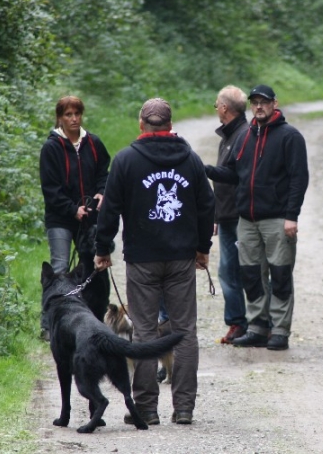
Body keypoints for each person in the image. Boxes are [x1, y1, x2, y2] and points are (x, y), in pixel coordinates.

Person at [93, 98, 215, 425]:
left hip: (142, 260)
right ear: (170, 125)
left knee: (144, 332)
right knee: (185, 331)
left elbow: (110, 210)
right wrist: (202, 248)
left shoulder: (126, 160)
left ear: (141, 124)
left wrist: (102, 249)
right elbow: (207, 205)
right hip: (180, 259)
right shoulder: (189, 159)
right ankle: (185, 408)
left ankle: (146, 409)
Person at [206, 84, 309, 351]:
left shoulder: (290, 136)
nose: (259, 107)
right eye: (255, 102)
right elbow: (231, 174)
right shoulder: (245, 136)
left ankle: (280, 330)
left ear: (274, 103)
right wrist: (202, 169)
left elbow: (299, 179)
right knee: (251, 275)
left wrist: (292, 216)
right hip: (247, 220)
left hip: (277, 219)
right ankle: (257, 327)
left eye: (264, 102)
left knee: (280, 274)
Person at [39, 95, 111, 330]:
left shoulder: (93, 143)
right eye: (68, 115)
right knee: (59, 268)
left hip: (89, 216)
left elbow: (104, 172)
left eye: (77, 114)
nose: (74, 119)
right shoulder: (51, 147)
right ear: (60, 118)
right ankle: (51, 324)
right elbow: (50, 188)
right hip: (60, 217)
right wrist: (72, 209)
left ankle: (92, 315)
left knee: (92, 266)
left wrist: (101, 192)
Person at [212, 85, 250, 344]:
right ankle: (238, 322)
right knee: (228, 271)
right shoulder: (229, 135)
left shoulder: (243, 135)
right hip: (226, 216)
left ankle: (249, 323)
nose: (215, 108)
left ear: (225, 108)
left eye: (217, 104)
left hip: (240, 217)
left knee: (240, 271)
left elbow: (237, 178)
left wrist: (200, 168)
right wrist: (216, 214)